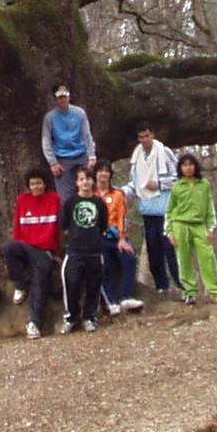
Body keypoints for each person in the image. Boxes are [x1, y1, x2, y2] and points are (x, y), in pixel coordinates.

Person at [3, 167, 61, 339]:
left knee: (40, 280)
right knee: (9, 248)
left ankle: (34, 323)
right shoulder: (23, 200)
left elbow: (58, 229)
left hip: (45, 251)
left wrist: (56, 252)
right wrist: (17, 242)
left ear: (45, 184)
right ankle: (21, 283)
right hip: (26, 247)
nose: (36, 187)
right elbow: (17, 228)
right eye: (33, 184)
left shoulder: (54, 199)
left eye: (39, 183)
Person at [124, 122, 181, 296]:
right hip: (147, 209)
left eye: (147, 136)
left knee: (170, 249)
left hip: (165, 208)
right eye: (141, 137)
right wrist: (121, 193)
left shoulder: (164, 152)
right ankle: (161, 285)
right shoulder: (137, 157)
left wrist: (159, 184)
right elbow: (136, 184)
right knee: (153, 249)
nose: (144, 140)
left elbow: (179, 177)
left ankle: (183, 285)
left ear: (153, 135)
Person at [167, 152, 217, 307]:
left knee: (207, 258)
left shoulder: (204, 184)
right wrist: (169, 232)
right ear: (181, 168)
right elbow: (169, 210)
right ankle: (189, 292)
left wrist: (210, 228)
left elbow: (209, 207)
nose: (188, 168)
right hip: (180, 224)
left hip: (199, 225)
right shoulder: (176, 187)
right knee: (184, 260)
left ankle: (216, 292)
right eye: (185, 165)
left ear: (195, 166)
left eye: (190, 165)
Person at [57, 166, 108, 334]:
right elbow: (64, 225)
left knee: (94, 285)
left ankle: (89, 317)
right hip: (74, 251)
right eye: (81, 179)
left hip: (94, 251)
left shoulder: (99, 203)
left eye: (87, 178)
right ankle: (71, 317)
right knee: (72, 283)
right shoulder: (71, 203)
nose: (85, 182)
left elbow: (102, 225)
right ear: (76, 183)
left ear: (93, 181)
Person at [94, 163, 144, 315]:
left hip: (116, 236)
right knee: (105, 266)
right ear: (95, 174)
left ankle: (126, 297)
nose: (103, 174)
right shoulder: (91, 195)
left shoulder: (117, 194)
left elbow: (122, 217)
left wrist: (122, 238)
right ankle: (111, 301)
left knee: (129, 258)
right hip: (98, 238)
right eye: (100, 171)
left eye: (106, 171)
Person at [41, 83, 96, 195]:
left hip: (81, 156)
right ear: (56, 99)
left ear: (69, 97)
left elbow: (87, 135)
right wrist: (53, 162)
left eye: (65, 96)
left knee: (87, 190)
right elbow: (46, 141)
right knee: (66, 195)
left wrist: (91, 155)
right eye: (60, 97)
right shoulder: (50, 117)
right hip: (62, 159)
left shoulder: (79, 113)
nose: (63, 100)